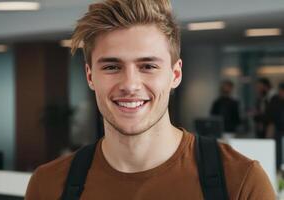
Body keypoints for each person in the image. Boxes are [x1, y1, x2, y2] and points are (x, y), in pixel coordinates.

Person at [25, 0, 275, 199]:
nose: (130, 85)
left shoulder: (240, 181)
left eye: (147, 66)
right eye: (112, 67)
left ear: (175, 74)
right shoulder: (49, 185)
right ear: (90, 76)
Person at [267, 82, 284, 170]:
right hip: (277, 132)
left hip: (279, 131)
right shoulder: (275, 100)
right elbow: (271, 117)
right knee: (278, 154)